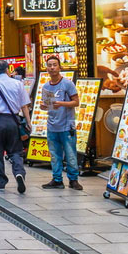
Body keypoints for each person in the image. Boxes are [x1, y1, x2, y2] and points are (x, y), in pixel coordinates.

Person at [0, 59, 32, 193]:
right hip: (13, 120)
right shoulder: (17, 84)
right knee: (15, 151)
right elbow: (24, 105)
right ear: (8, 70)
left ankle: (1, 181)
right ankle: (19, 173)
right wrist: (29, 121)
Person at [40, 55, 82, 190]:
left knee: (70, 153)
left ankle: (73, 179)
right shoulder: (46, 86)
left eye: (54, 65)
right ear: (47, 68)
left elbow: (76, 102)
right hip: (52, 125)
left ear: (59, 67)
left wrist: (61, 103)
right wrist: (44, 107)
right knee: (54, 154)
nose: (52, 68)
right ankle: (57, 179)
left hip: (66, 125)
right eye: (49, 65)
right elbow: (48, 105)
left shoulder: (68, 84)